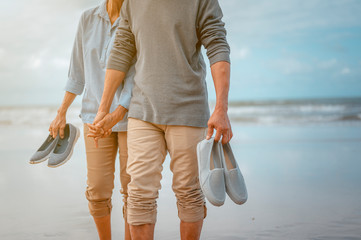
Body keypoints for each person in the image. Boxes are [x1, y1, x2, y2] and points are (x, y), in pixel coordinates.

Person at [88, 0, 232, 239]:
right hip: (143, 111)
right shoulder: (132, 3)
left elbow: (217, 46)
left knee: (189, 193)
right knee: (139, 195)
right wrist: (103, 109)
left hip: (187, 111)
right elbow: (121, 51)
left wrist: (221, 108)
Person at [48, 0, 134, 239]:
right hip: (93, 118)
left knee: (133, 191)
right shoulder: (87, 19)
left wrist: (118, 111)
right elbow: (77, 71)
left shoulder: (137, 16)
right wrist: (61, 111)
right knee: (97, 189)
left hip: (131, 117)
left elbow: (139, 73)